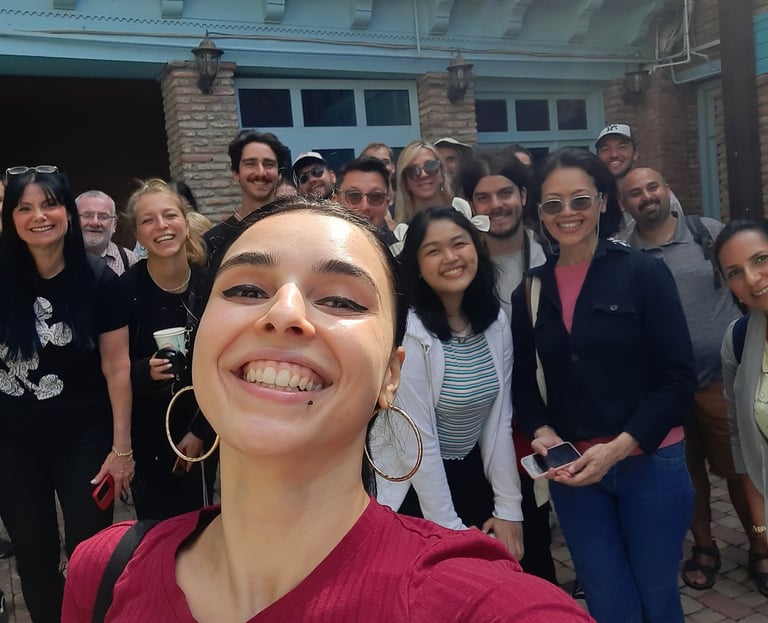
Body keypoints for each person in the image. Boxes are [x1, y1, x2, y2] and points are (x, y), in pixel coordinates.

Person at [62, 199, 593, 622]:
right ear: (200, 343)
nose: (285, 314)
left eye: (341, 300)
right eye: (246, 288)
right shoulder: (105, 570)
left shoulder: (467, 600)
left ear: (391, 373)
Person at [511, 148, 696, 623]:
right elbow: (526, 386)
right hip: (575, 477)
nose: (567, 214)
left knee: (657, 597)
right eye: (553, 204)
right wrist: (543, 434)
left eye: (579, 200)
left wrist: (617, 449)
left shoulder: (643, 273)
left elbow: (678, 377)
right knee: (608, 601)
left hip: (650, 464)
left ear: (601, 201)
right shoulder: (529, 291)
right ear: (539, 211)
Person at [618, 167, 763, 592]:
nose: (646, 197)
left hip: (723, 379)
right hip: (666, 386)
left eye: (652, 187)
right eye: (634, 193)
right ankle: (704, 547)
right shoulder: (624, 253)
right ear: (625, 205)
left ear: (667, 189)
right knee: (687, 476)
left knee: (742, 469)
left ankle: (760, 546)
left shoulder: (708, 233)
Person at [0, 165, 133, 623]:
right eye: (24, 207)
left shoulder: (99, 281)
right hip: (12, 444)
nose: (39, 216)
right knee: (34, 556)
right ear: (10, 217)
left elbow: (117, 368)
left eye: (50, 204)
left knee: (89, 554)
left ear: (68, 213)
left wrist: (122, 449)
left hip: (86, 440)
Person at [376, 206, 524, 560]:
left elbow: (498, 421)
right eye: (433, 250)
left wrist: (509, 509)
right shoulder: (409, 332)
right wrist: (451, 531)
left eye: (459, 244)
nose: (450, 258)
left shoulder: (495, 321)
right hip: (412, 485)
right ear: (417, 266)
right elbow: (418, 442)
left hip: (469, 470)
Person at [460, 150, 554, 583]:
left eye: (505, 193)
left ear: (523, 195)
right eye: (483, 197)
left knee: (543, 521)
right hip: (484, 418)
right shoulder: (458, 265)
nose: (496, 205)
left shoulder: (552, 253)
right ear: (470, 206)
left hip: (547, 411)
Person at [121, 179, 217, 520]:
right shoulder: (125, 291)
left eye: (170, 215)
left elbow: (226, 366)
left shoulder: (210, 285)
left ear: (185, 222)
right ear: (138, 232)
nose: (161, 226)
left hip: (203, 427)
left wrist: (201, 432)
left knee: (201, 525)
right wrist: (143, 371)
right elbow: (110, 371)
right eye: (148, 220)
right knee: (154, 531)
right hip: (149, 435)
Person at [716, 219, 768, 597]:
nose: (751, 279)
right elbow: (740, 436)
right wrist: (761, 526)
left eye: (760, 259)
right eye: (735, 272)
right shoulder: (737, 339)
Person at [204, 130, 291, 266]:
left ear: (279, 174)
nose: (261, 172)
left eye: (269, 164)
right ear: (235, 173)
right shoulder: (214, 241)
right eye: (250, 164)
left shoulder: (295, 229)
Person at [393, 139, 456, 224]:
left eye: (431, 166)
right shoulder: (400, 233)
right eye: (413, 171)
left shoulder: (461, 217)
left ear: (442, 174)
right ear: (405, 182)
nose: (424, 175)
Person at [75, 190, 138, 276]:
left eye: (103, 216)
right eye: (87, 215)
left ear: (114, 225)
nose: (95, 223)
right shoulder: (58, 259)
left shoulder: (130, 261)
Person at [337, 156, 394, 244]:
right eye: (354, 196)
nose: (365, 206)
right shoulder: (318, 251)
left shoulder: (401, 254)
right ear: (336, 202)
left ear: (386, 204)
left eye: (375, 197)